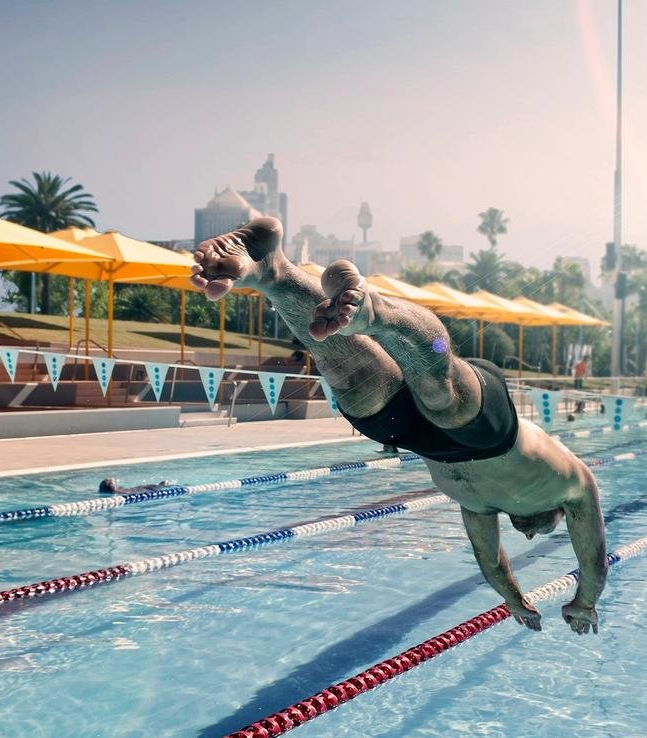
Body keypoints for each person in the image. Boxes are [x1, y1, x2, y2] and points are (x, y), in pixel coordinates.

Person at [191, 217, 607, 634]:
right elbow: (594, 559)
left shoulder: (480, 508)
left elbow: (491, 562)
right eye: (548, 529)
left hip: (412, 435)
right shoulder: (571, 485)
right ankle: (378, 312)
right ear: (558, 515)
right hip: (492, 431)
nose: (534, 538)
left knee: (358, 383)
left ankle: (272, 273)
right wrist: (586, 602)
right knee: (443, 390)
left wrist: (515, 600)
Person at [99, 477, 170, 495]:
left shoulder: (119, 490)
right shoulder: (120, 491)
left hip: (138, 489)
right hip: (143, 490)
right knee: (159, 487)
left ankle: (162, 484)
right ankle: (162, 484)